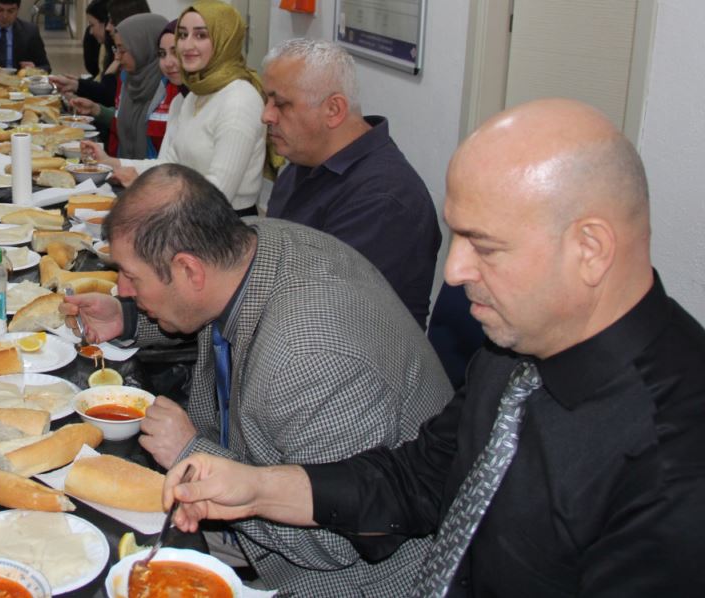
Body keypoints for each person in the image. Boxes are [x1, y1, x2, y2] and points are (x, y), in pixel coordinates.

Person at [163, 98, 705, 596]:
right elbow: (415, 478)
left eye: (484, 246)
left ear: (590, 249)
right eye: (456, 238)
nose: (455, 270)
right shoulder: (515, 354)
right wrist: (256, 489)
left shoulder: (674, 463)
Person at [62, 164, 452, 593]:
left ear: (189, 270)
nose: (123, 288)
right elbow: (201, 306)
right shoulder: (246, 246)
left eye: (132, 279)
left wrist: (192, 453)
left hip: (345, 579)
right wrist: (129, 317)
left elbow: (335, 540)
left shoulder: (309, 355)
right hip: (260, 508)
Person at [262, 39, 440, 329]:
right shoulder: (302, 161)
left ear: (333, 110)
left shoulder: (385, 199)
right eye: (266, 101)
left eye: (280, 103)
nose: (266, 115)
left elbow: (326, 315)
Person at [83, 1, 265, 214]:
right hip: (186, 212)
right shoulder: (192, 96)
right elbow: (170, 163)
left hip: (227, 225)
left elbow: (219, 193)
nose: (186, 46)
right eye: (183, 35)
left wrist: (149, 190)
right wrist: (112, 162)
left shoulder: (239, 99)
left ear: (224, 41)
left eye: (200, 35)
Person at [68, 14, 174, 159]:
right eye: (116, 49)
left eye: (122, 50)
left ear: (142, 47)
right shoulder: (127, 80)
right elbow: (124, 122)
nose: (117, 57)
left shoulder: (173, 87)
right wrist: (95, 109)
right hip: (122, 171)